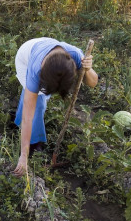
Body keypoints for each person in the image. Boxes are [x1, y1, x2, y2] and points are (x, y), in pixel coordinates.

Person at [12, 38, 98, 176]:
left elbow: (93, 83)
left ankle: (16, 121)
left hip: (48, 52)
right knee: (38, 103)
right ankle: (34, 143)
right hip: (25, 55)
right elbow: (28, 116)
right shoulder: (35, 70)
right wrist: (23, 155)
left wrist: (88, 69)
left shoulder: (76, 56)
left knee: (38, 98)